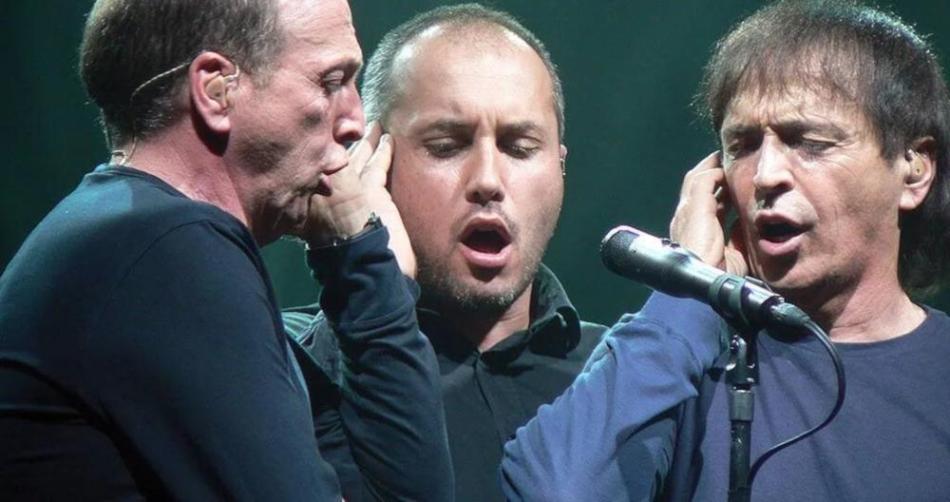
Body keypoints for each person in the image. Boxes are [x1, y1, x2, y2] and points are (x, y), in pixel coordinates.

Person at [0, 0, 452, 499]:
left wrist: (362, 258)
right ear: (216, 90)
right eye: (329, 83)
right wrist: (368, 264)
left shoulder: (123, 238)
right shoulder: (166, 250)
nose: (353, 122)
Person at [502, 1, 950, 500]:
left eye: (810, 141)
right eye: (743, 145)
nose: (765, 176)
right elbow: (555, 488)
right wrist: (687, 285)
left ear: (913, 169)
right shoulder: (680, 361)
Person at [281, 4, 605, 501]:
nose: (488, 182)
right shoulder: (289, 372)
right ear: (372, 162)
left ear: (561, 166)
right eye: (447, 146)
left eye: (519, 148)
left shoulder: (621, 374)